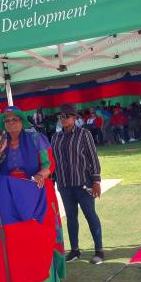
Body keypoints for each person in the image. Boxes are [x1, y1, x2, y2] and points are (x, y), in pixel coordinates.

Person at [0, 105, 65, 282]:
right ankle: (21, 280)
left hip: (37, 193)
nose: (11, 123)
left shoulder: (37, 139)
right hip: (9, 197)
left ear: (22, 121)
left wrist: (41, 173)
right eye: (7, 120)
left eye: (15, 119)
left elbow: (50, 165)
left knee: (41, 236)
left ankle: (48, 279)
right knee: (17, 241)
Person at [51, 103, 104, 264]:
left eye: (66, 116)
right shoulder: (55, 137)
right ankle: (74, 250)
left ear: (74, 118)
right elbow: (54, 161)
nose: (63, 119)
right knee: (71, 217)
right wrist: (52, 181)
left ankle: (99, 251)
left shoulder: (84, 134)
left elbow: (93, 158)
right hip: (64, 184)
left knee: (90, 214)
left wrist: (96, 180)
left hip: (83, 183)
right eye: (61, 116)